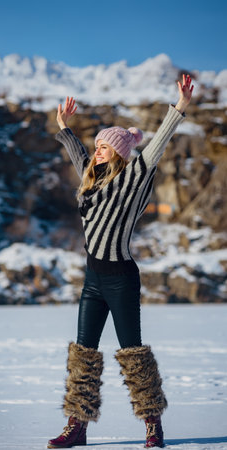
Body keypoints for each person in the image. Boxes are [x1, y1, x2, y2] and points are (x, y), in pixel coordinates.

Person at [47, 74, 194, 449]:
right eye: (97, 146)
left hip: (121, 281)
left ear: (120, 154)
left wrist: (178, 109)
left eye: (105, 147)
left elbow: (157, 146)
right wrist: (64, 125)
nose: (97, 151)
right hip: (93, 280)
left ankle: (153, 427)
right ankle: (76, 428)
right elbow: (77, 151)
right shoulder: (90, 177)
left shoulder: (131, 180)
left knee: (134, 354)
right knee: (83, 356)